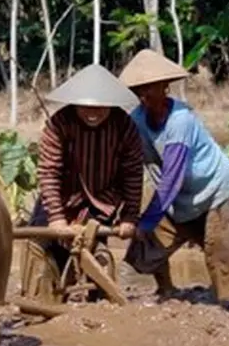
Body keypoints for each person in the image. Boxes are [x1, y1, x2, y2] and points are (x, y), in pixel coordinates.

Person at [115, 49, 229, 314]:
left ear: (164, 87)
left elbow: (171, 179)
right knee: (143, 252)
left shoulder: (180, 120)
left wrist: (145, 221)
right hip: (179, 200)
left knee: (224, 262)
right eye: (138, 90)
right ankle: (166, 289)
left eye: (150, 88)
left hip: (215, 191)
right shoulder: (136, 120)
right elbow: (129, 164)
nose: (144, 95)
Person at [25, 63, 145, 277]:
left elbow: (133, 173)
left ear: (110, 104)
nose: (93, 113)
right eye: (86, 107)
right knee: (43, 246)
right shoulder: (59, 124)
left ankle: (98, 298)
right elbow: (49, 172)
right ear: (75, 103)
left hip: (102, 197)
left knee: (96, 249)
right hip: (63, 194)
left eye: (100, 107)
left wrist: (130, 217)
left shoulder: (124, 126)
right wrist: (56, 218)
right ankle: (49, 290)